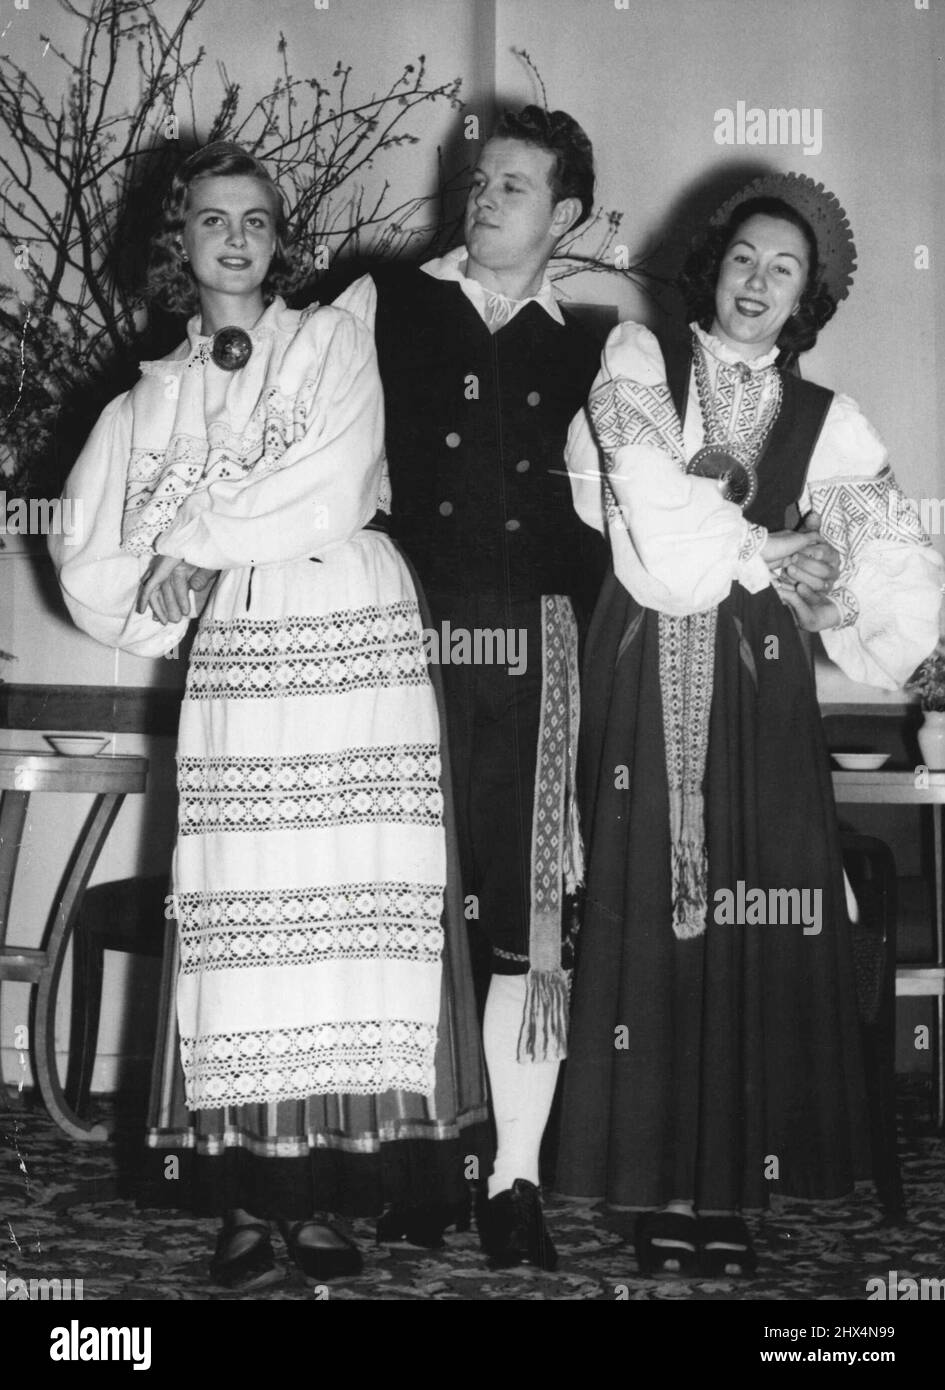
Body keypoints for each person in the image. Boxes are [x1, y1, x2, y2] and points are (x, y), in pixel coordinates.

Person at [49, 142, 489, 1292]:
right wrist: (166, 571)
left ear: (276, 237)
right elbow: (91, 553)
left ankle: (337, 1191)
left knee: (348, 909)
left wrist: (196, 540)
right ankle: (248, 1196)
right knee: (249, 913)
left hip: (349, 624)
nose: (235, 237)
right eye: (210, 220)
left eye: (255, 218)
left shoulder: (333, 337)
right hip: (246, 650)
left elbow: (334, 483)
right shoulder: (154, 396)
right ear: (178, 243)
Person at [558, 172, 944, 1277]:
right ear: (712, 265)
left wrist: (901, 636)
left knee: (753, 921)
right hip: (640, 672)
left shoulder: (831, 422)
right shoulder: (637, 364)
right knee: (644, 911)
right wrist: (769, 549)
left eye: (786, 270)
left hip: (760, 686)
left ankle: (729, 1187)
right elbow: (648, 509)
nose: (758, 283)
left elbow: (889, 564)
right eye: (744, 259)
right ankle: (649, 1184)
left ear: (807, 298)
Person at [333, 105, 608, 1269]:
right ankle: (423, 1160)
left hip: (539, 656)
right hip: (409, 637)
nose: (484, 197)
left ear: (567, 215)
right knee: (410, 908)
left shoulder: (598, 347)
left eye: (513, 185)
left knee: (529, 924)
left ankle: (516, 1177)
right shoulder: (375, 303)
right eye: (478, 180)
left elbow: (630, 511)